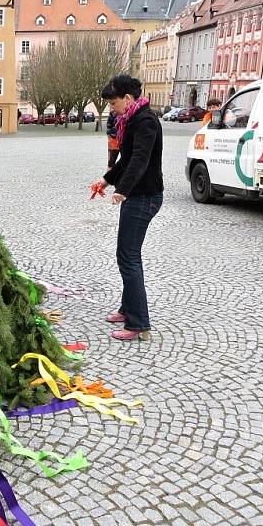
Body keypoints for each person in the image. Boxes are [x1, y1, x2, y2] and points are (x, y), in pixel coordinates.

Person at [91, 75, 164, 341]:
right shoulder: (133, 119)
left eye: (113, 103)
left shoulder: (145, 122)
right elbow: (126, 159)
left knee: (128, 257)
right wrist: (106, 179)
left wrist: (123, 190)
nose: (112, 108)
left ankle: (138, 323)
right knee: (127, 255)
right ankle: (128, 308)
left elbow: (140, 161)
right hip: (138, 195)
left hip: (144, 197)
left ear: (128, 99)